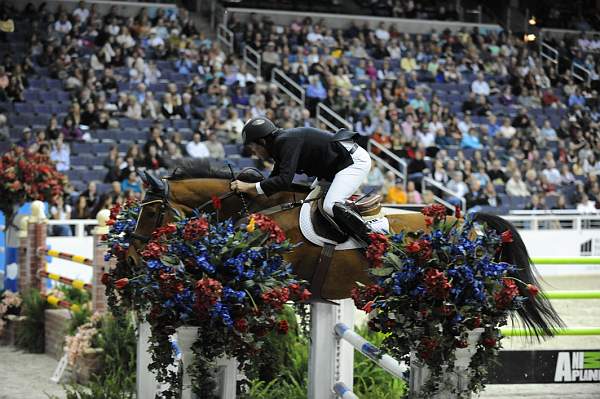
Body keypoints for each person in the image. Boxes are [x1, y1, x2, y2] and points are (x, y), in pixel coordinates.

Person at [230, 117, 372, 243]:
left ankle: (372, 239)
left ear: (262, 141)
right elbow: (275, 180)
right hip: (334, 168)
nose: (254, 153)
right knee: (311, 199)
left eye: (253, 148)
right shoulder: (280, 144)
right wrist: (254, 191)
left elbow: (284, 181)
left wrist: (249, 187)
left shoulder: (285, 141)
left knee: (330, 204)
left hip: (353, 161)